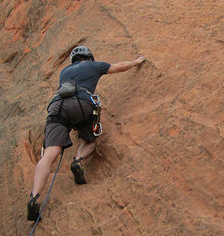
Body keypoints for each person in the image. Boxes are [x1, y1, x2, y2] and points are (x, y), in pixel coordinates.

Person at [27, 46, 145, 221]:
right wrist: (136, 62)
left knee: (49, 155)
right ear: (89, 57)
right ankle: (77, 161)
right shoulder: (94, 66)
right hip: (82, 104)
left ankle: (34, 197)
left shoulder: (64, 72)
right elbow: (119, 66)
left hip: (57, 106)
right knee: (91, 140)